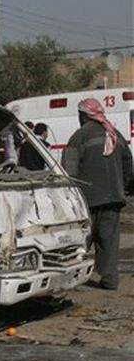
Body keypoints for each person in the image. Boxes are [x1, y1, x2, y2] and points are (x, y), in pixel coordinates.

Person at [63, 98, 133, 290]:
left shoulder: (79, 136)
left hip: (87, 199)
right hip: (113, 198)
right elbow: (129, 165)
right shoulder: (115, 134)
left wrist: (71, 197)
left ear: (83, 116)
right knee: (109, 242)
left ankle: (72, 280)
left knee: (81, 240)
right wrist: (122, 186)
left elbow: (69, 171)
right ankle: (109, 280)